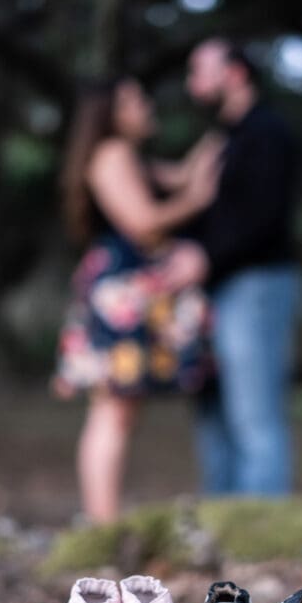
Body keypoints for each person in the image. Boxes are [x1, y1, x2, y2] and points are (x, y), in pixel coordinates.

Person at [56, 77, 219, 522]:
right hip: (121, 291)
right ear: (112, 112)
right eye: (135, 100)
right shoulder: (111, 154)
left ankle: (101, 519)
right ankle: (101, 522)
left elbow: (183, 172)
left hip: (125, 289)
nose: (146, 105)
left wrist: (217, 136)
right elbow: (143, 222)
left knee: (117, 412)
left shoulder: (128, 156)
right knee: (113, 411)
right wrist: (196, 198)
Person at [163, 39, 302, 495]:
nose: (192, 83)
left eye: (200, 70)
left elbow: (263, 217)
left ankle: (260, 535)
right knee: (213, 416)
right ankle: (221, 529)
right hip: (215, 292)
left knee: (253, 416)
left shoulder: (267, 133)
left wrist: (205, 257)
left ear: (237, 73)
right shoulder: (221, 141)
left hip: (255, 285)